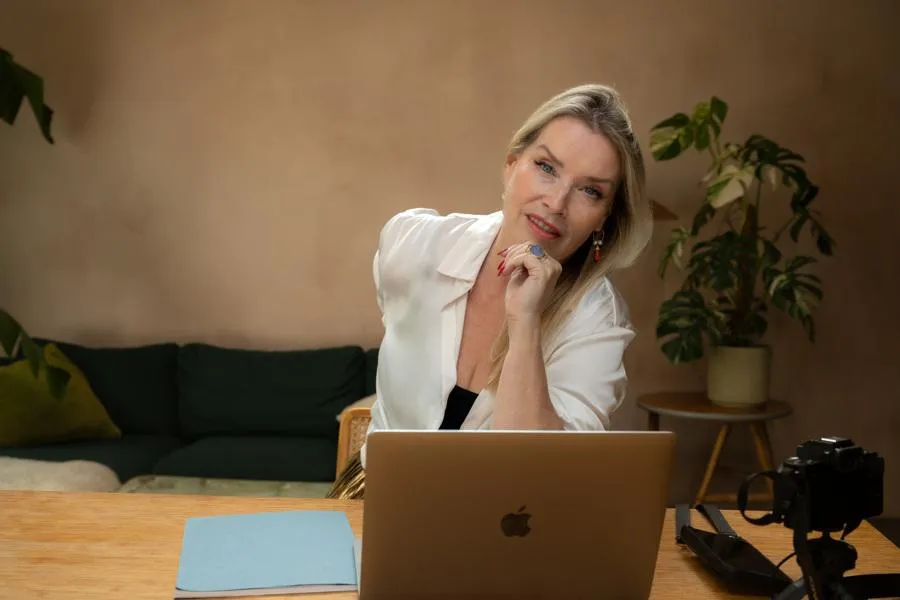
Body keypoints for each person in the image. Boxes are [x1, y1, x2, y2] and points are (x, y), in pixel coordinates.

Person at [327, 83, 653, 500]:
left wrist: (525, 322)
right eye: (546, 167)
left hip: (501, 518)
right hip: (374, 500)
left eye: (590, 190)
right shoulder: (412, 245)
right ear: (511, 165)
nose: (556, 202)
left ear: (604, 219)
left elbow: (534, 475)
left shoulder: (597, 320)